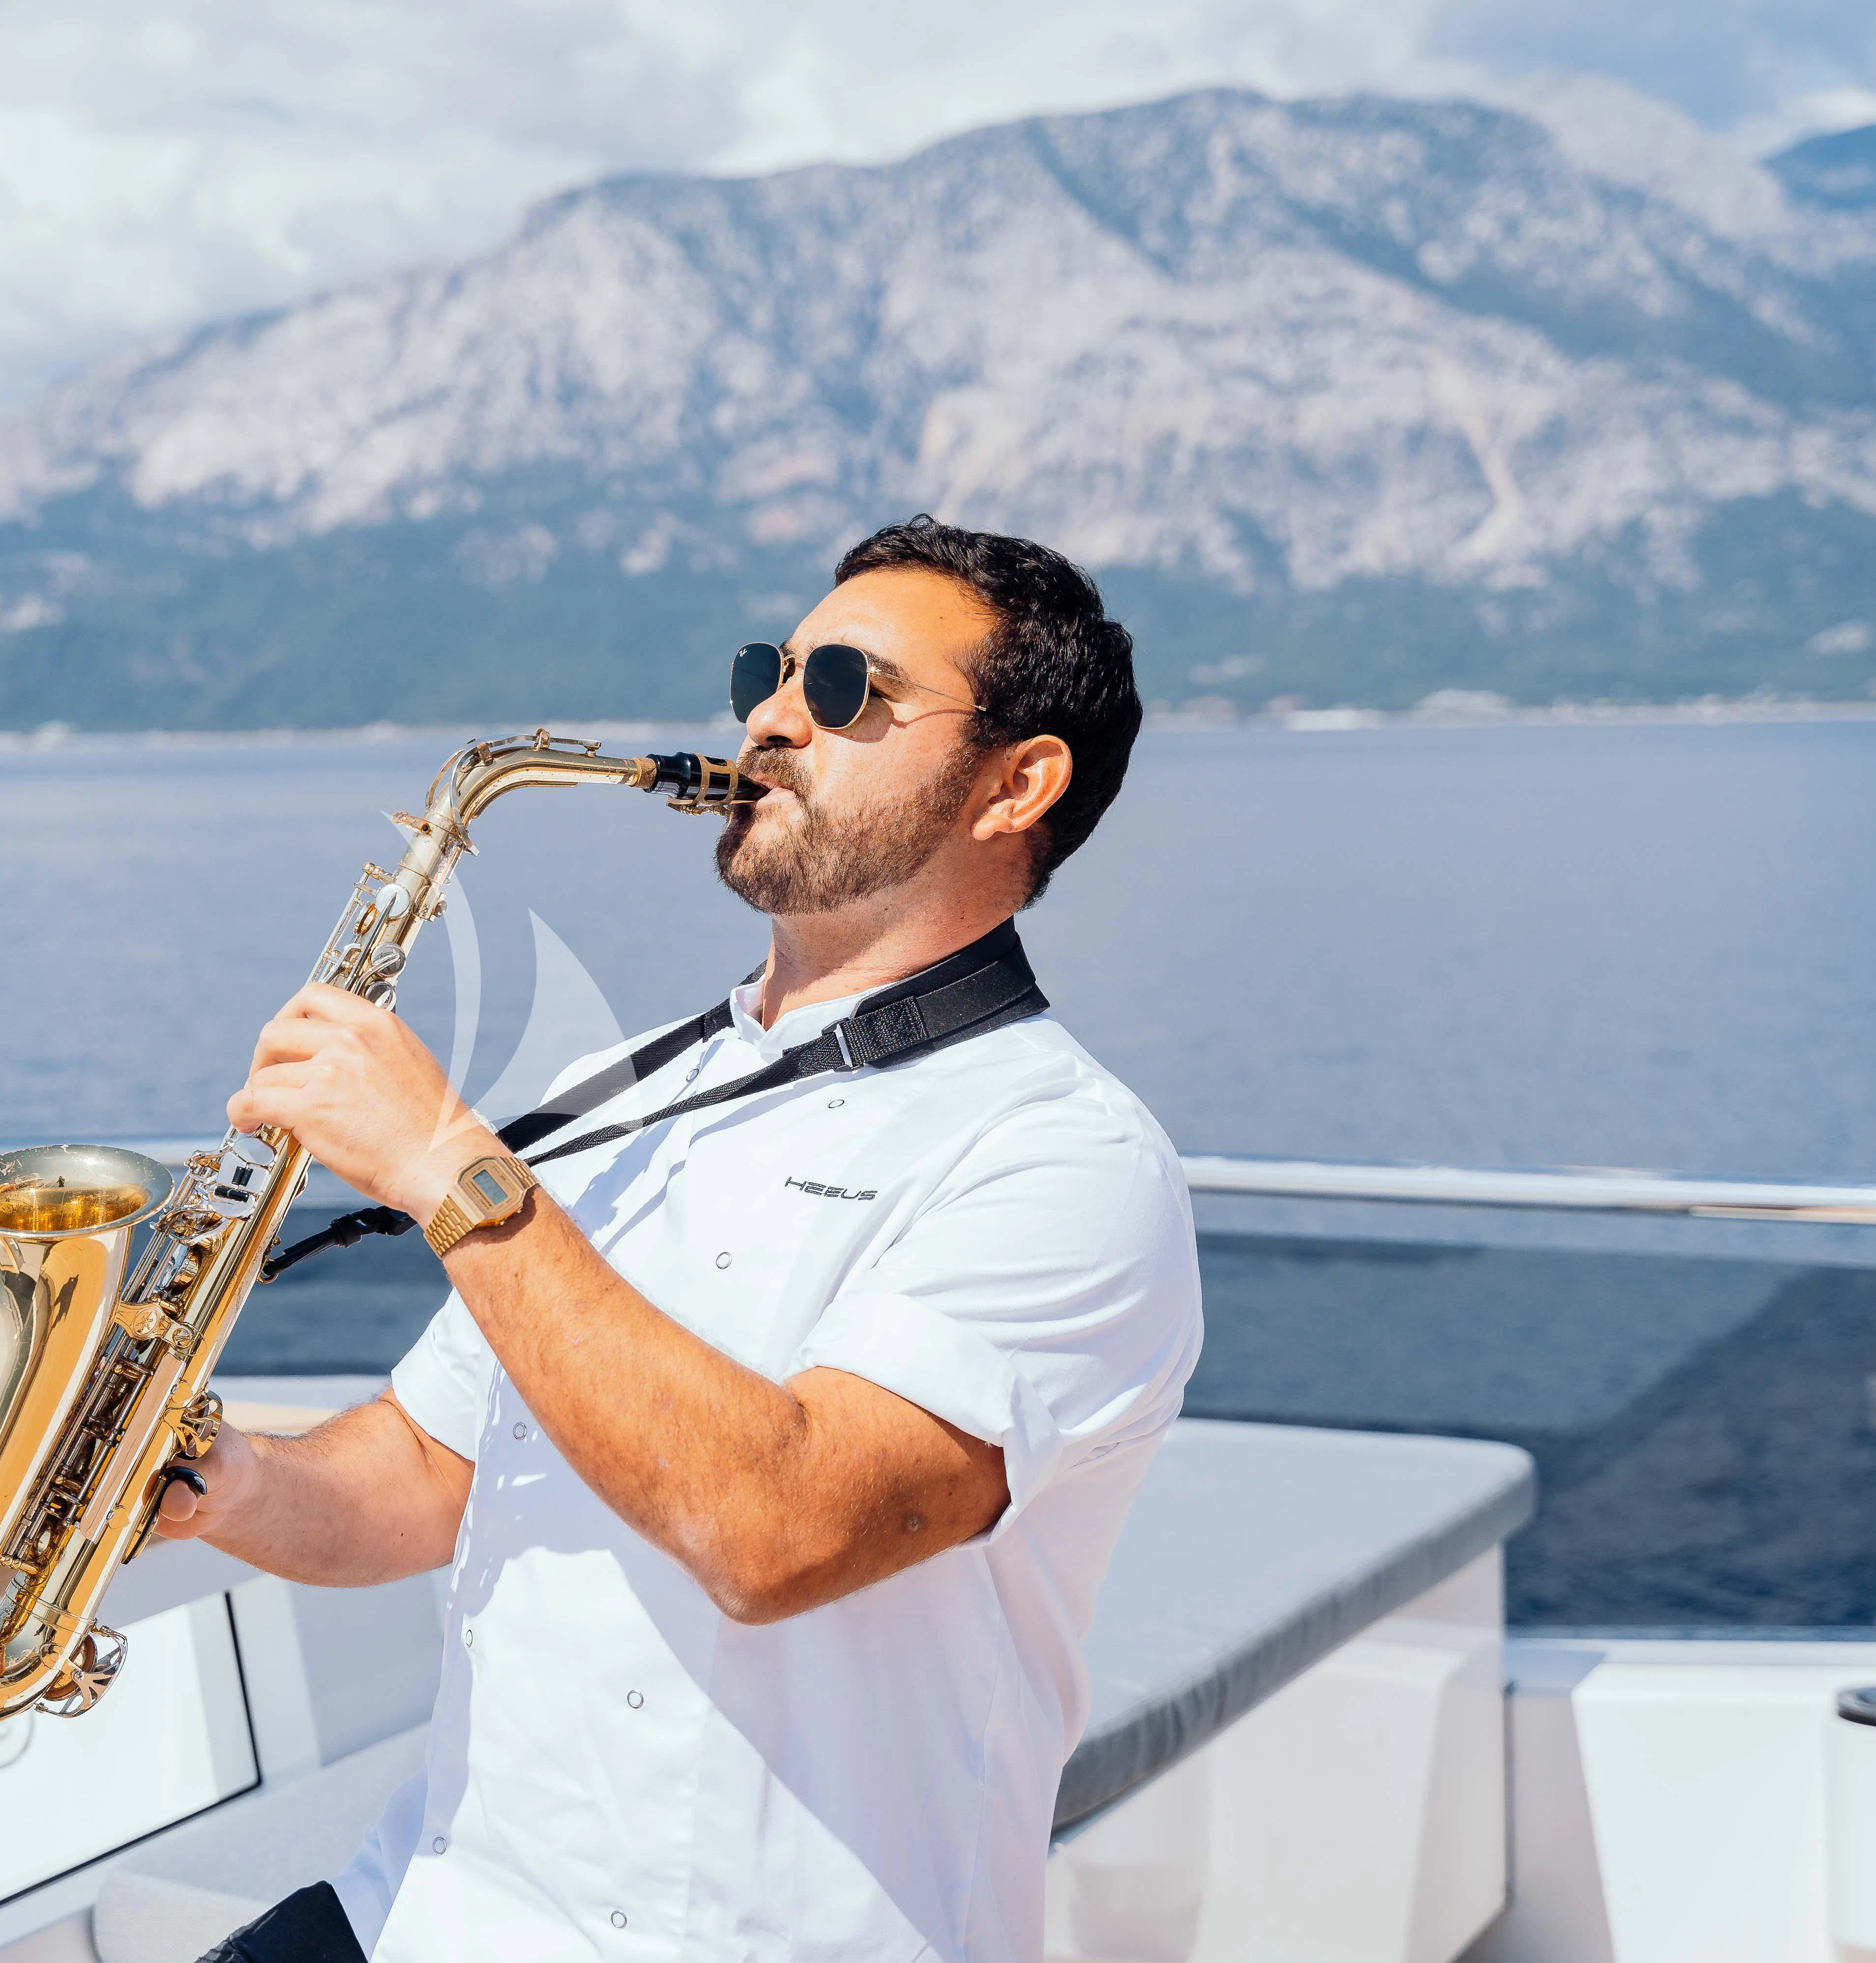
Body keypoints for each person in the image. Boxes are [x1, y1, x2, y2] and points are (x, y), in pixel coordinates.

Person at [157, 516, 1205, 1962]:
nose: (775, 715)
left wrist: (445, 1163)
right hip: (435, 1909)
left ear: (1014, 783)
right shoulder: (644, 1083)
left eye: (848, 691)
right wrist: (207, 1477)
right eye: (768, 676)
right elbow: (422, 1472)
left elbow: (777, 1531)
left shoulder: (1068, 1160)